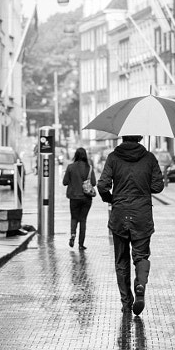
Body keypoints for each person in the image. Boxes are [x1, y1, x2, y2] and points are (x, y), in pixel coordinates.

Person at [98, 135, 164, 316]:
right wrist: (144, 185)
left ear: (123, 137)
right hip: (142, 214)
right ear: (140, 138)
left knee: (121, 260)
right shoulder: (149, 158)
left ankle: (126, 303)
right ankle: (140, 283)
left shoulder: (113, 157)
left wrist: (111, 199)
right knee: (141, 255)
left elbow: (102, 185)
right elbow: (158, 186)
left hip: (119, 214)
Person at [62, 147, 96, 251]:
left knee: (74, 218)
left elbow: (65, 182)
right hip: (86, 198)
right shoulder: (89, 168)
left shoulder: (70, 167)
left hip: (74, 198)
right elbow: (94, 183)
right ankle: (81, 244)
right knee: (83, 220)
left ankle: (72, 235)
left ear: (75, 155)